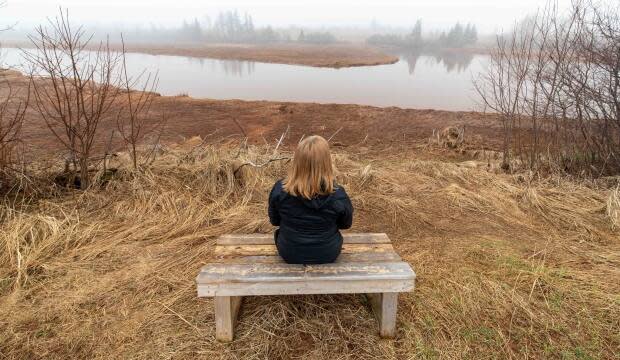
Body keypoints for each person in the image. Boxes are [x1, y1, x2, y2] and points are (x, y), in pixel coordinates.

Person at [268, 135, 353, 264]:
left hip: (289, 251)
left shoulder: (280, 190)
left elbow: (275, 221)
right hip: (327, 252)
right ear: (327, 162)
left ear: (297, 161)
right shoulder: (338, 195)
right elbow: (345, 224)